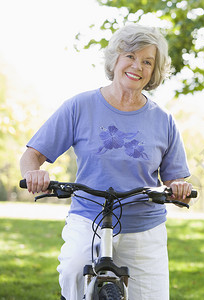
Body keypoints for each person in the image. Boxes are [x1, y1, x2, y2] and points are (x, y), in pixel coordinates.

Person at [19, 24, 193, 300]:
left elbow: (173, 179)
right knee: (74, 272)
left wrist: (179, 187)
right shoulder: (80, 106)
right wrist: (34, 173)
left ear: (154, 72)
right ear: (115, 60)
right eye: (130, 56)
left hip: (144, 225)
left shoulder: (163, 120)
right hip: (89, 217)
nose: (137, 66)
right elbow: (32, 154)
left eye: (147, 62)